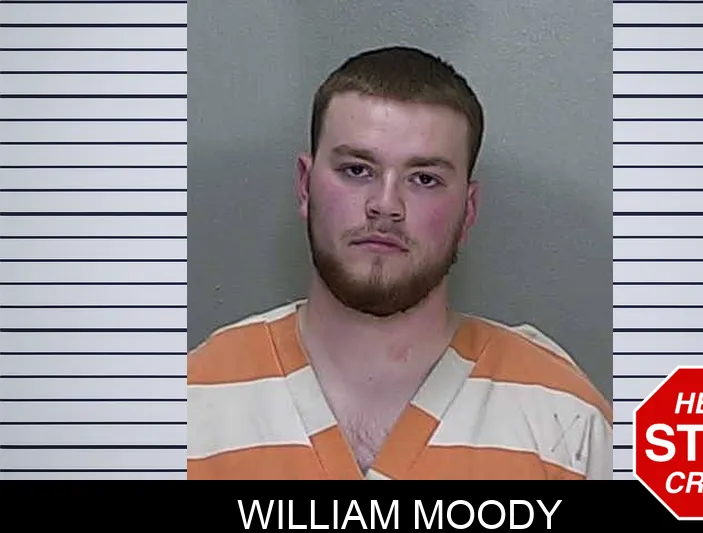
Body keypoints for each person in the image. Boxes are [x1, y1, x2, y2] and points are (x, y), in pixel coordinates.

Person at [187, 46, 612, 480]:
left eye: (424, 179)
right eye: (356, 170)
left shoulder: (565, 422)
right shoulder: (192, 407)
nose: (385, 205)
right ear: (304, 186)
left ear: (468, 211)